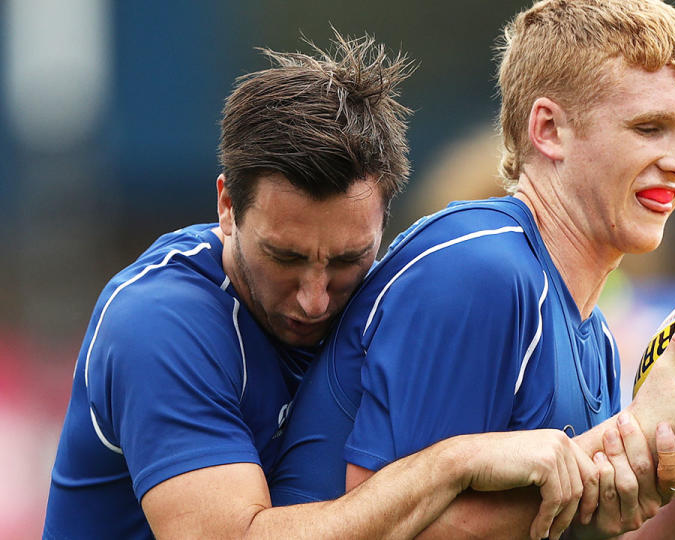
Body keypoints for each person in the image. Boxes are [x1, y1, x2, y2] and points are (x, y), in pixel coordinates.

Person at [271, 1, 675, 538]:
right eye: (649, 127)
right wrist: (641, 437)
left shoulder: (591, 332)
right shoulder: (479, 267)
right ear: (548, 129)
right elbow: (388, 529)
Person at [43, 33, 633, 540]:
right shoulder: (157, 324)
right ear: (227, 205)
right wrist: (457, 461)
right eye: (286, 257)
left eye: (348, 259)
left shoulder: (396, 299)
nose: (315, 298)